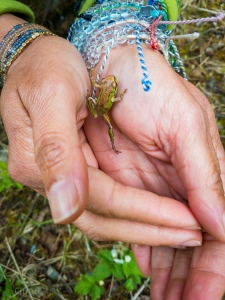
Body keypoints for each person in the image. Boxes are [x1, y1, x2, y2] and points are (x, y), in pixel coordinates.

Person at [0, 1, 225, 299]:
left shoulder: (110, 92)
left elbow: (112, 91)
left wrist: (120, 36)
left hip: (90, 73)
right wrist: (15, 46)